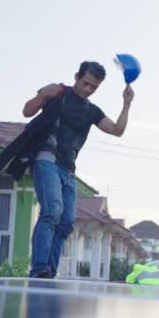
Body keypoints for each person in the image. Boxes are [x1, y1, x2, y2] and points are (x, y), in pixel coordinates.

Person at [21, 60, 133, 278]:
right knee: (52, 211)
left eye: (94, 87)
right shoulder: (58, 93)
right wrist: (42, 94)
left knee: (66, 222)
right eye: (85, 83)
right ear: (76, 77)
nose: (88, 89)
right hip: (46, 159)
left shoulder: (92, 111)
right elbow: (27, 111)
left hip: (68, 168)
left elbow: (117, 130)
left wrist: (126, 103)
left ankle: (49, 272)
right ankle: (39, 268)